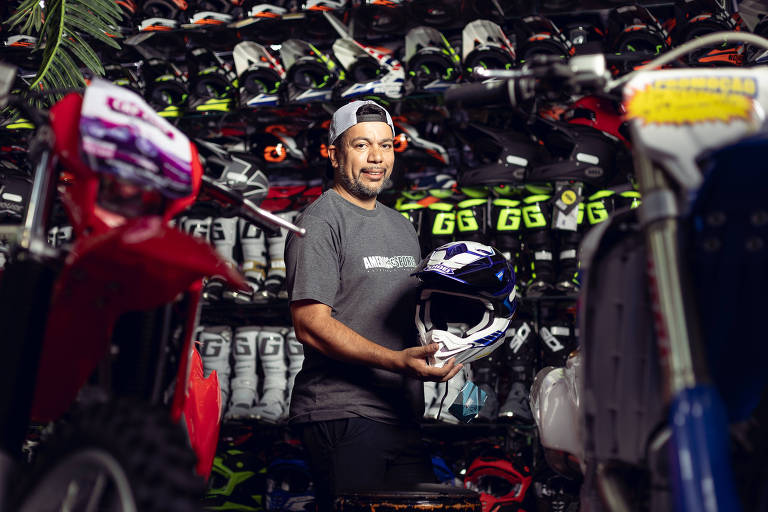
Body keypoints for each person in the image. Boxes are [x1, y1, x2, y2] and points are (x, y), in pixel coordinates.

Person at [284, 100, 462, 511]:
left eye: (385, 145)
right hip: (342, 413)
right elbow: (311, 324)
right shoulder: (320, 221)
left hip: (401, 416)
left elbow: (408, 316)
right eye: (361, 145)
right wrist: (398, 362)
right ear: (334, 154)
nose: (376, 158)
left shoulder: (401, 226)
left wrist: (454, 346)